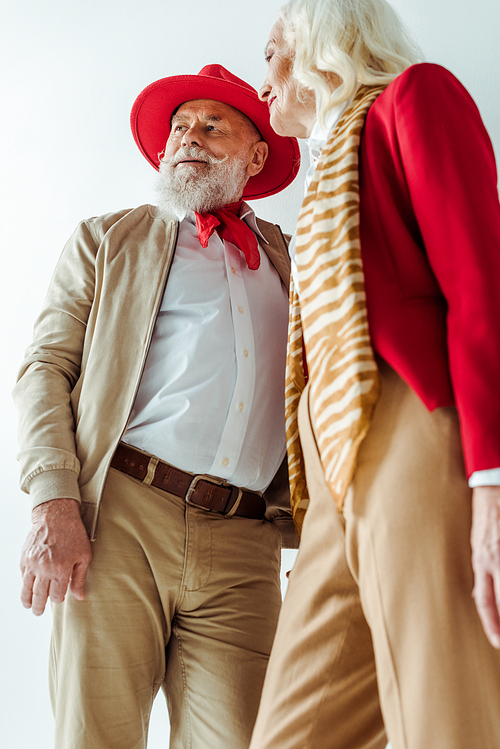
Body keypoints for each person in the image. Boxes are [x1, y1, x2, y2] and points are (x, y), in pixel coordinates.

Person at [14, 63, 300, 749]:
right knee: (97, 736)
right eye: (179, 127)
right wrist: (54, 498)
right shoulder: (107, 240)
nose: (188, 138)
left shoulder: (295, 259)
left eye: (212, 126)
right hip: (120, 519)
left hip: (246, 537)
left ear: (256, 155)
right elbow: (44, 368)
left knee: (244, 738)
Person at [248, 2, 500, 748]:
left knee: (442, 712)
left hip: (408, 434)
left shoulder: (414, 98)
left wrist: (490, 487)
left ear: (318, 37)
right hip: (329, 476)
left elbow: (481, 287)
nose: (262, 82)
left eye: (270, 53)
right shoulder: (323, 177)